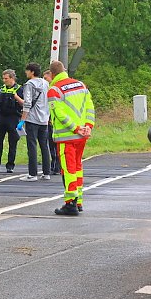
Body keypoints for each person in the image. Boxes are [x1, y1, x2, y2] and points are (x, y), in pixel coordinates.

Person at [47, 60, 95, 215]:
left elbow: (59, 115)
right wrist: (88, 126)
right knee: (77, 168)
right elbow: (90, 108)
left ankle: (70, 203)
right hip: (82, 136)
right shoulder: (81, 85)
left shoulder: (54, 90)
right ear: (64, 70)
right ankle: (79, 201)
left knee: (68, 170)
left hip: (67, 136)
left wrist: (75, 128)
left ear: (52, 74)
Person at [18, 62, 51, 181]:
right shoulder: (45, 83)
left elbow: (27, 102)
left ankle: (32, 174)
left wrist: (22, 120)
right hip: (44, 119)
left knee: (32, 146)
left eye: (27, 70)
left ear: (32, 72)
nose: (26, 72)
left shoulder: (29, 84)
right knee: (44, 146)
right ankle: (46, 172)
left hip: (32, 119)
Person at [0, 69, 23, 173]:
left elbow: (24, 103)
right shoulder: (1, 89)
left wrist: (16, 97)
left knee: (12, 142)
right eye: (3, 78)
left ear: (12, 78)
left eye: (6, 78)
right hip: (1, 117)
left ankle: (10, 165)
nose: (4, 80)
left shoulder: (20, 89)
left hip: (13, 117)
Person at [42, 69, 60, 175]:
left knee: (55, 144)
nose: (45, 80)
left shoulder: (54, 89)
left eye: (46, 78)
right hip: (47, 119)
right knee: (50, 145)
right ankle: (53, 164)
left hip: (54, 121)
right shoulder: (45, 90)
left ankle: (57, 166)